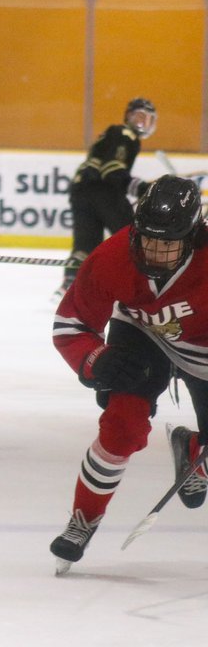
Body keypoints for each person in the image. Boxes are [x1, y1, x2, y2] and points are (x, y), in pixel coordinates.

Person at [50, 175, 208, 574]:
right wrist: (96, 360)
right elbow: (71, 326)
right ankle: (82, 520)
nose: (153, 252)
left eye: (167, 243)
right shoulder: (112, 256)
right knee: (121, 427)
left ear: (193, 237)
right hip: (142, 335)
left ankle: (195, 453)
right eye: (148, 238)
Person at [57, 98, 158, 297]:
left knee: (85, 245)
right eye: (139, 117)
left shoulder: (111, 133)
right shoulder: (125, 135)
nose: (142, 123)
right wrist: (143, 188)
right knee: (134, 237)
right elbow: (112, 170)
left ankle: (69, 286)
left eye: (147, 119)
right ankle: (142, 284)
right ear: (128, 116)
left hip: (80, 191)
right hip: (103, 192)